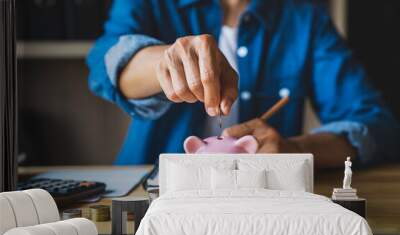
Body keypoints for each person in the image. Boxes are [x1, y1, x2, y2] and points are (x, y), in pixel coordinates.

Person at [87, 0, 400, 168]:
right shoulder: (148, 3)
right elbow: (103, 64)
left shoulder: (305, 18)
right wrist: (164, 63)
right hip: (150, 193)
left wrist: (296, 150)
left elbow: (377, 127)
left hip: (260, 202)